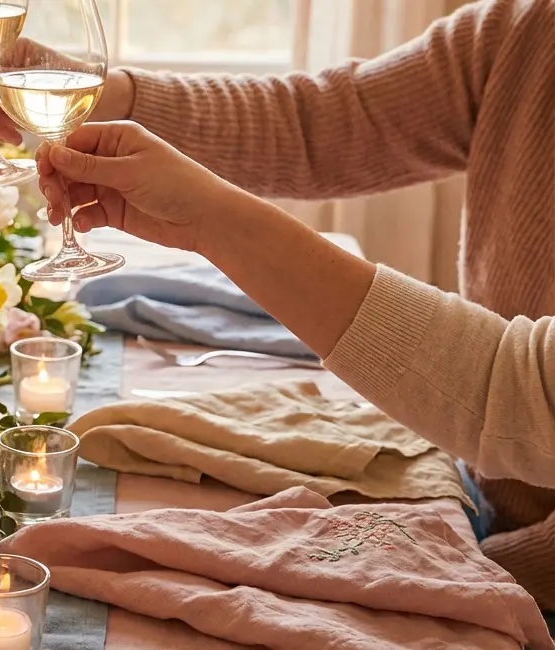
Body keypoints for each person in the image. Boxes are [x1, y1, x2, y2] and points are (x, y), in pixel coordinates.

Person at [0, 0, 555, 615]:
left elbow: (513, 389)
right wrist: (108, 97)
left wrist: (212, 221)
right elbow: (324, 124)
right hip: (476, 508)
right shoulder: (526, 31)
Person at [37, 119, 555, 624]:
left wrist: (481, 565)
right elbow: (328, 117)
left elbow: (509, 391)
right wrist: (199, 213)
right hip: (487, 511)